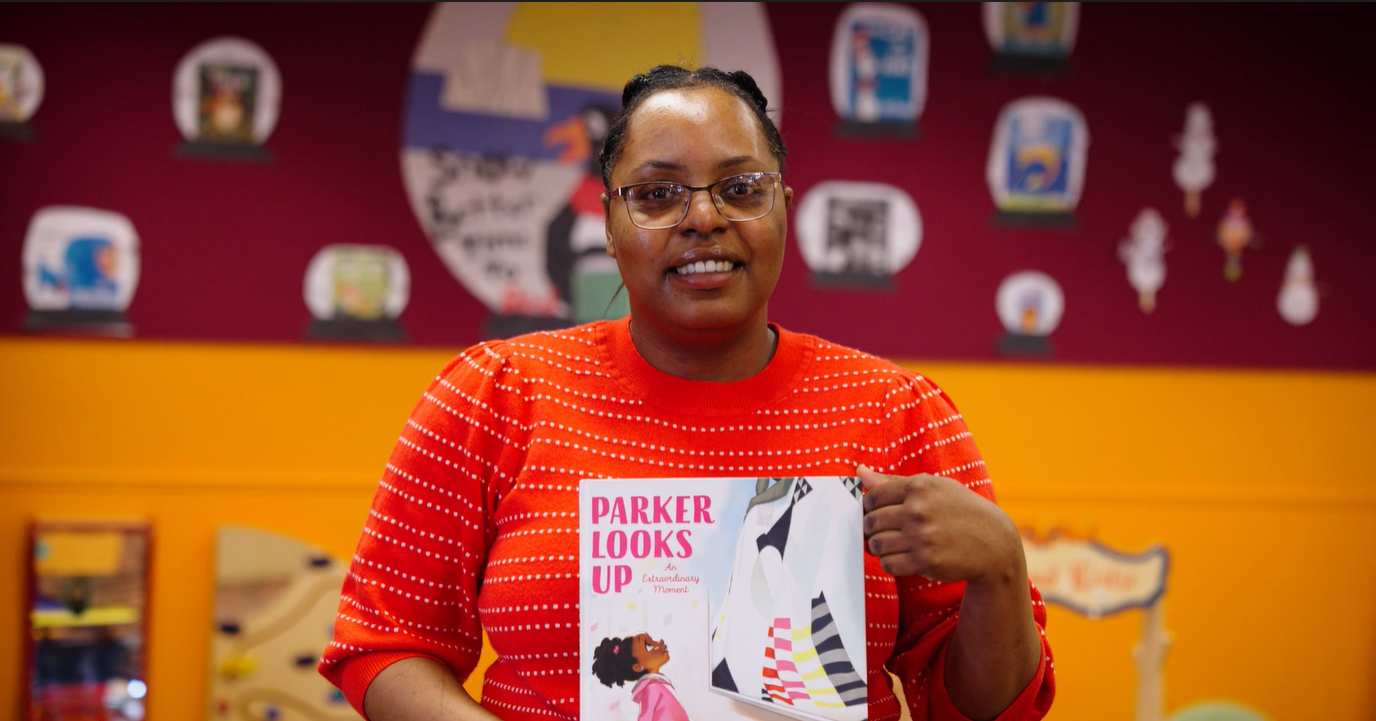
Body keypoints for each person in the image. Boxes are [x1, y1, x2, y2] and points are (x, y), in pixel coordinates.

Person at [319, 65, 1054, 721]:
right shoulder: (495, 394)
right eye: (657, 193)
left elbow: (989, 710)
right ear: (609, 222)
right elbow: (381, 644)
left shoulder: (897, 411)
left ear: (784, 209)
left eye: (740, 188)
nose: (703, 218)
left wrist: (1000, 568)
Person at [591, 634, 690, 721]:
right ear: (638, 667)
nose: (659, 643)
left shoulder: (659, 683)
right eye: (649, 645)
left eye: (652, 640)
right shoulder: (651, 689)